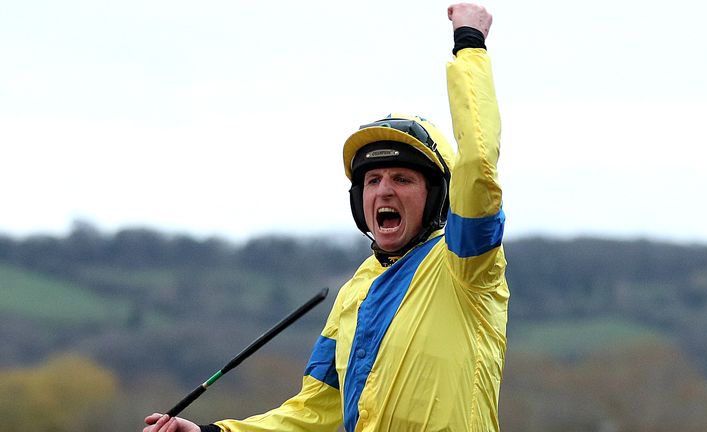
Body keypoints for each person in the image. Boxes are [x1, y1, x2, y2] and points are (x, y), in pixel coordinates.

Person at [144, 3, 508, 431]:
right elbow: (311, 412)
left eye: (402, 178)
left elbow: (478, 164)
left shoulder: (465, 264)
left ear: (437, 196)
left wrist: (470, 47)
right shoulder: (353, 294)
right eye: (372, 180)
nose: (384, 190)